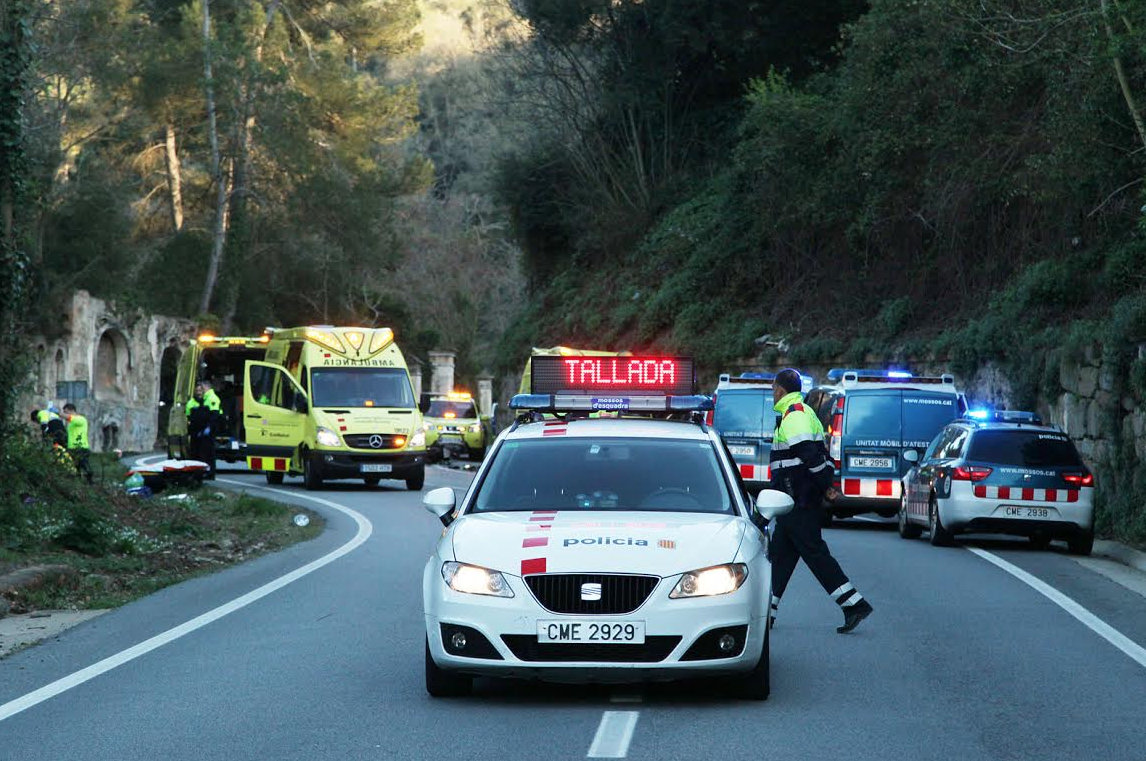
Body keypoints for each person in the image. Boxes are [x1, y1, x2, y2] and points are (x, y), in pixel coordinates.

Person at [768, 368, 873, 634]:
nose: (772, 394)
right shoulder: (800, 412)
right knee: (780, 557)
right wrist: (825, 486)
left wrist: (826, 486)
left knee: (814, 554)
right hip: (794, 498)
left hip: (798, 499)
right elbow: (818, 456)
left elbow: (811, 457)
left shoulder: (794, 415)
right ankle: (766, 611)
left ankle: (854, 604)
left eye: (773, 389)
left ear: (780, 389)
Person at [186, 382, 221, 479]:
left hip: (207, 431)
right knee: (195, 453)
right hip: (195, 432)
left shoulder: (209, 399)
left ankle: (209, 473)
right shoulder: (193, 402)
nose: (199, 392)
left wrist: (208, 428)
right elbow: (188, 417)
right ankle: (197, 474)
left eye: (201, 390)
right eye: (197, 390)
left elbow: (213, 416)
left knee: (207, 453)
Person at [62, 403, 93, 483]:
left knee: (85, 466)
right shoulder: (71, 423)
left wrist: (58, 413)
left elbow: (69, 418)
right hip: (72, 448)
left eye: (66, 412)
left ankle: (90, 482)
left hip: (81, 447)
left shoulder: (80, 419)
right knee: (76, 468)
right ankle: (79, 483)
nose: (65, 414)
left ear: (72, 410)